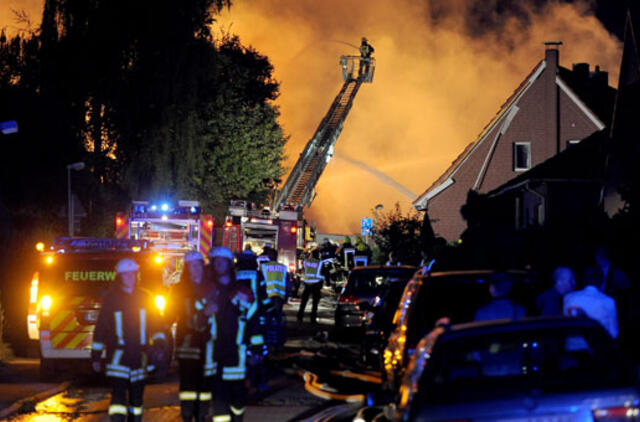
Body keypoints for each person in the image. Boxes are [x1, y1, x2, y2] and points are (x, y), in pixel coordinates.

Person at [91, 258, 168, 422]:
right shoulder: (112, 300)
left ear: (137, 275)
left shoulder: (146, 297)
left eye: (132, 274)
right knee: (118, 398)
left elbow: (157, 325)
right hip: (118, 357)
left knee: (137, 399)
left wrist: (160, 345)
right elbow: (101, 329)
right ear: (119, 277)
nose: (130, 278)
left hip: (140, 357)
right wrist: (96, 357)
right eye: (126, 275)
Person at [208, 247, 260, 422]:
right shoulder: (208, 291)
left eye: (222, 261)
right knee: (219, 405)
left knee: (238, 402)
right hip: (214, 355)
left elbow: (252, 321)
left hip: (237, 354)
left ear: (229, 264)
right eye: (216, 261)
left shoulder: (241, 291)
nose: (219, 264)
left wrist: (257, 350)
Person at [173, 251, 214, 422]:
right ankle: (187, 414)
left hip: (207, 343)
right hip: (187, 344)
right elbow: (169, 315)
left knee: (205, 383)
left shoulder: (212, 287)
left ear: (202, 267)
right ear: (186, 269)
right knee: (188, 382)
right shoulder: (178, 289)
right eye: (191, 266)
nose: (194, 269)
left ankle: (202, 414)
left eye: (197, 265)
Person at [564, 268, 618, 338]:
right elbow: (614, 333)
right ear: (602, 282)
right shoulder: (608, 301)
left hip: (572, 345)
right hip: (598, 346)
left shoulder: (568, 297)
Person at [297, 248, 324, 324]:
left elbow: (303, 267)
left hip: (307, 283)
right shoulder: (319, 262)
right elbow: (321, 273)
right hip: (316, 283)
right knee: (315, 302)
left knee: (304, 301)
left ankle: (300, 315)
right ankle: (313, 318)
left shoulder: (306, 261)